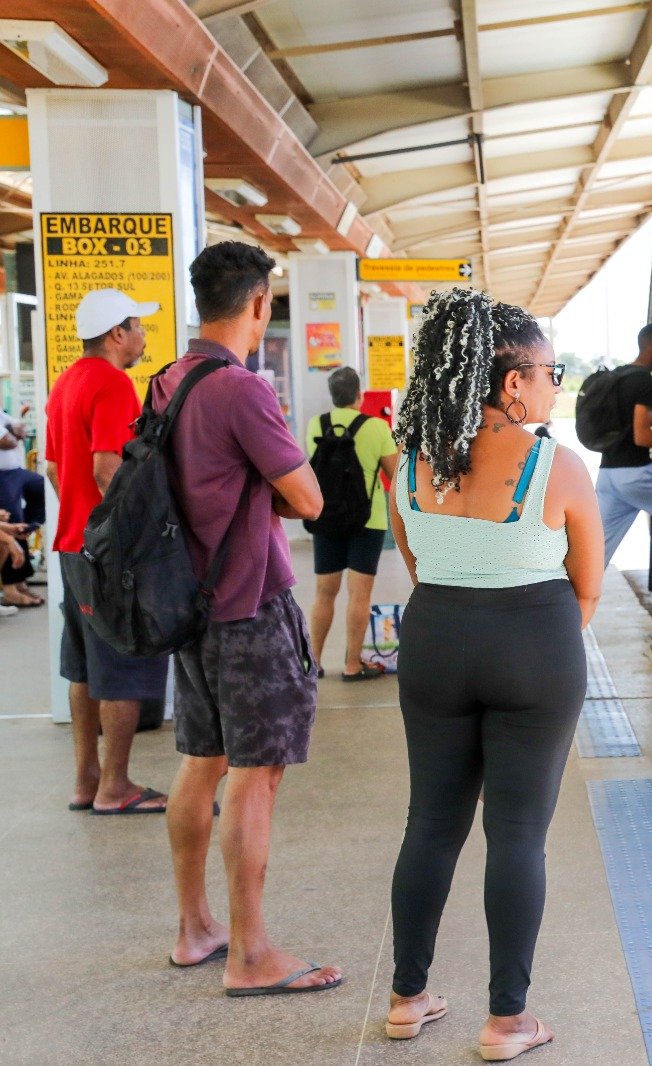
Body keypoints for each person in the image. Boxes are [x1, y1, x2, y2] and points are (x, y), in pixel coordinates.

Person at [385, 289, 602, 1061]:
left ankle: (408, 999)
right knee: (517, 835)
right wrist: (537, 650)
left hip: (437, 640)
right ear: (513, 384)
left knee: (429, 826)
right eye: (550, 371)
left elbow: (417, 565)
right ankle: (506, 1021)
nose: (555, 385)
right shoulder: (559, 466)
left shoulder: (406, 460)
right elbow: (588, 585)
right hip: (535, 642)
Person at [155, 242, 341, 996]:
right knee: (255, 777)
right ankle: (252, 953)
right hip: (247, 609)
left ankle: (197, 927)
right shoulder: (242, 389)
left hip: (191, 610)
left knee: (202, 764)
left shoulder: (167, 379)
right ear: (260, 304)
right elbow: (309, 500)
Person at [44, 289, 171, 814]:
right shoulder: (114, 384)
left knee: (82, 669)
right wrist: (126, 535)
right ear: (117, 334)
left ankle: (86, 781)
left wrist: (83, 522)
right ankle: (115, 787)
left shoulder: (65, 383)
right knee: (121, 665)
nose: (143, 336)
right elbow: (106, 468)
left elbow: (53, 469)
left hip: (71, 548)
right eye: (138, 326)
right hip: (108, 557)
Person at [305, 366, 399, 681]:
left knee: (324, 593)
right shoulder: (376, 427)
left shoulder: (315, 425)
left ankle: (313, 662)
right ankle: (352, 664)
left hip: (326, 517)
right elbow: (394, 476)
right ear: (359, 395)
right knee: (359, 595)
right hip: (367, 521)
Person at [594, 324, 652, 566]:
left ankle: (571, 600)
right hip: (636, 475)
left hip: (607, 475)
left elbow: (628, 423)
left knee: (595, 552)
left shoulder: (619, 376)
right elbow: (642, 436)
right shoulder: (647, 383)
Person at [0, 408, 46, 608]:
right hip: (2, 474)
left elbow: (21, 431)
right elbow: (7, 441)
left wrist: (11, 429)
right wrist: (12, 432)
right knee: (10, 521)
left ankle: (26, 527)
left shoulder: (2, 414)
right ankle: (12, 586)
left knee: (43, 488)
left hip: (16, 472)